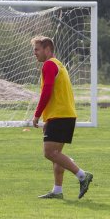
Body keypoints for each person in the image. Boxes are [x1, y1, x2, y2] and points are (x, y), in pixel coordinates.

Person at [31, 35, 93, 199]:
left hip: (61, 115)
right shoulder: (59, 65)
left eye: (37, 49)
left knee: (49, 152)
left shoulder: (49, 65)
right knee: (56, 154)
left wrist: (37, 114)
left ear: (47, 49)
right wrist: (48, 118)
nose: (34, 53)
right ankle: (57, 191)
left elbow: (47, 91)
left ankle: (82, 175)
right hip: (64, 115)